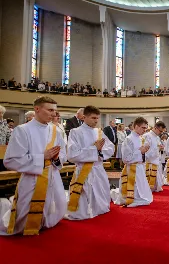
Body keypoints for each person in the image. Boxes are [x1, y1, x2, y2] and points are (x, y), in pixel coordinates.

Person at [1, 96, 67, 235]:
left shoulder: (55, 131)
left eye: (55, 111)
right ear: (37, 109)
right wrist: (42, 157)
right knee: (25, 213)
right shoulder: (22, 130)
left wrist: (56, 158)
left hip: (52, 175)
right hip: (32, 178)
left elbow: (63, 154)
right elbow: (11, 160)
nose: (54, 114)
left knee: (58, 205)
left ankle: (45, 222)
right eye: (50, 110)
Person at [64, 106, 115, 220]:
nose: (96, 121)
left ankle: (98, 208)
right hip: (83, 170)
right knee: (84, 195)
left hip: (98, 169)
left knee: (101, 192)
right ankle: (84, 211)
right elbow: (72, 154)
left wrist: (100, 152)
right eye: (93, 118)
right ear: (84, 117)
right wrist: (94, 149)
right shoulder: (75, 132)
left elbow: (110, 148)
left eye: (97, 118)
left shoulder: (99, 132)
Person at [113, 117, 152, 207]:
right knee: (134, 192)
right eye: (143, 128)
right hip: (132, 169)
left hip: (140, 167)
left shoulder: (141, 138)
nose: (145, 130)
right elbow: (126, 158)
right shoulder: (128, 139)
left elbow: (141, 155)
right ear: (136, 126)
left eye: (146, 128)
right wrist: (140, 152)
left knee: (143, 194)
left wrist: (145, 152)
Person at [143, 121, 166, 192]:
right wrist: (158, 148)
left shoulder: (157, 137)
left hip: (156, 160)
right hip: (150, 161)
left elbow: (158, 146)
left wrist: (161, 147)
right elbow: (146, 150)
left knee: (157, 179)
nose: (161, 133)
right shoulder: (147, 136)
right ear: (155, 128)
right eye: (160, 131)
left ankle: (156, 187)